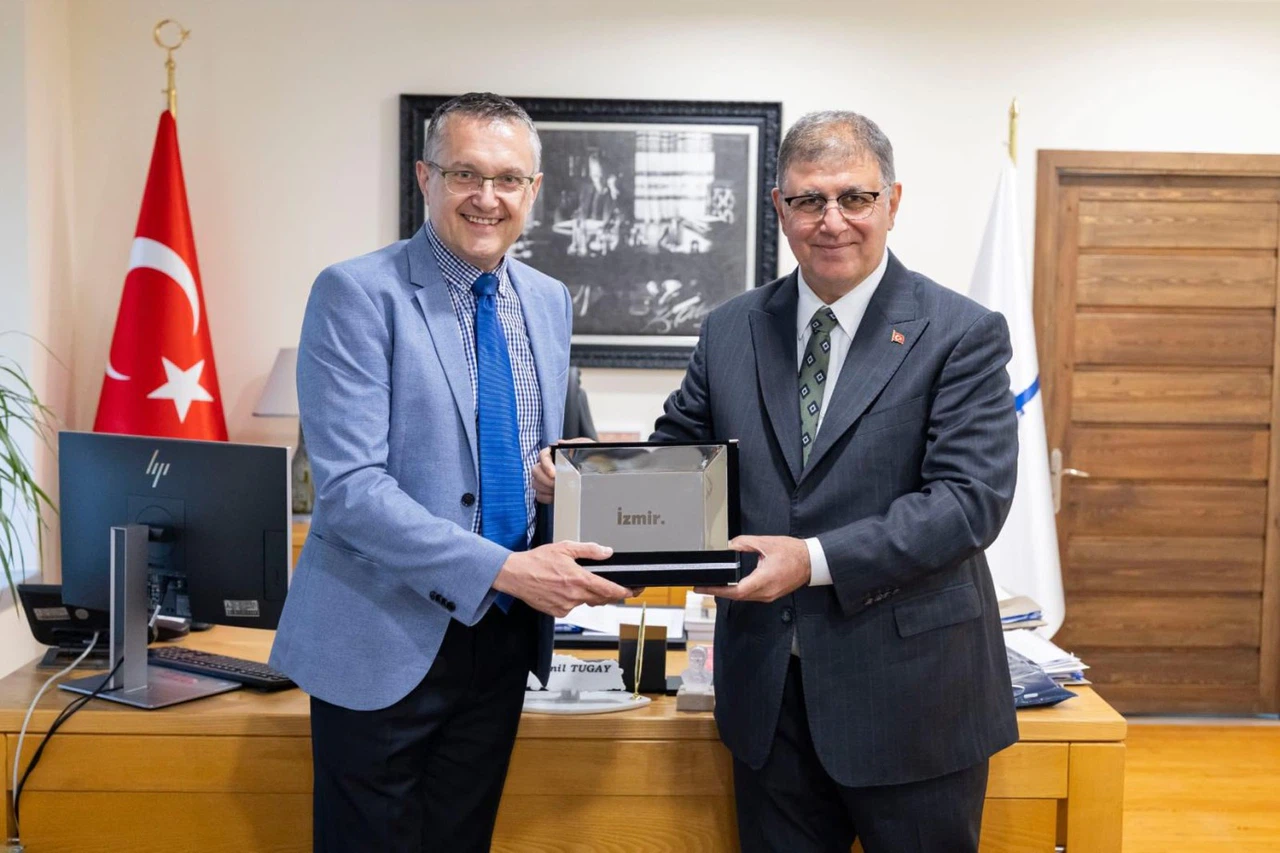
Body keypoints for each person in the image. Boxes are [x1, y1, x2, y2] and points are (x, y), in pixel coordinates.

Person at [536, 110, 1019, 852]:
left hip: (913, 699)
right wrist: (585, 479)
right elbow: (681, 462)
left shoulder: (961, 332)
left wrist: (811, 560)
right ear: (779, 208)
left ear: (892, 202)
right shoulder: (731, 328)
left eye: (854, 197)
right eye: (808, 200)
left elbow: (967, 503)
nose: (832, 220)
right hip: (767, 698)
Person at [270, 92, 633, 853]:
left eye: (508, 179)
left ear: (534, 190)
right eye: (465, 173)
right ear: (425, 178)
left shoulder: (549, 301)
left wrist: (550, 479)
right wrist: (505, 569)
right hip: (381, 634)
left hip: (502, 640)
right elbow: (351, 491)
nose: (487, 197)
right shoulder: (356, 293)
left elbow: (524, 449)